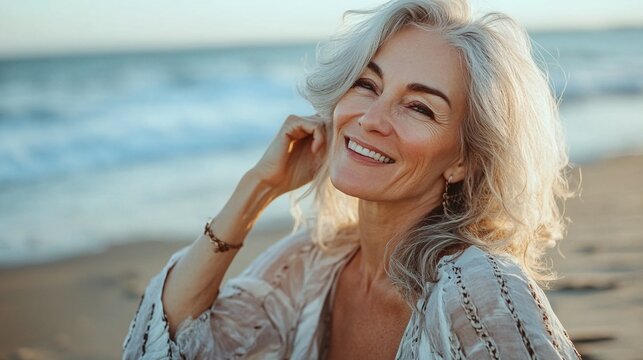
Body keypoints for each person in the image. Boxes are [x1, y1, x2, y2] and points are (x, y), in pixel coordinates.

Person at [122, 0, 582, 358]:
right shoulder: (316, 264)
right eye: (367, 84)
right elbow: (167, 345)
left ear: (463, 161)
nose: (371, 119)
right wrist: (258, 187)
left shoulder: (480, 289)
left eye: (419, 107)